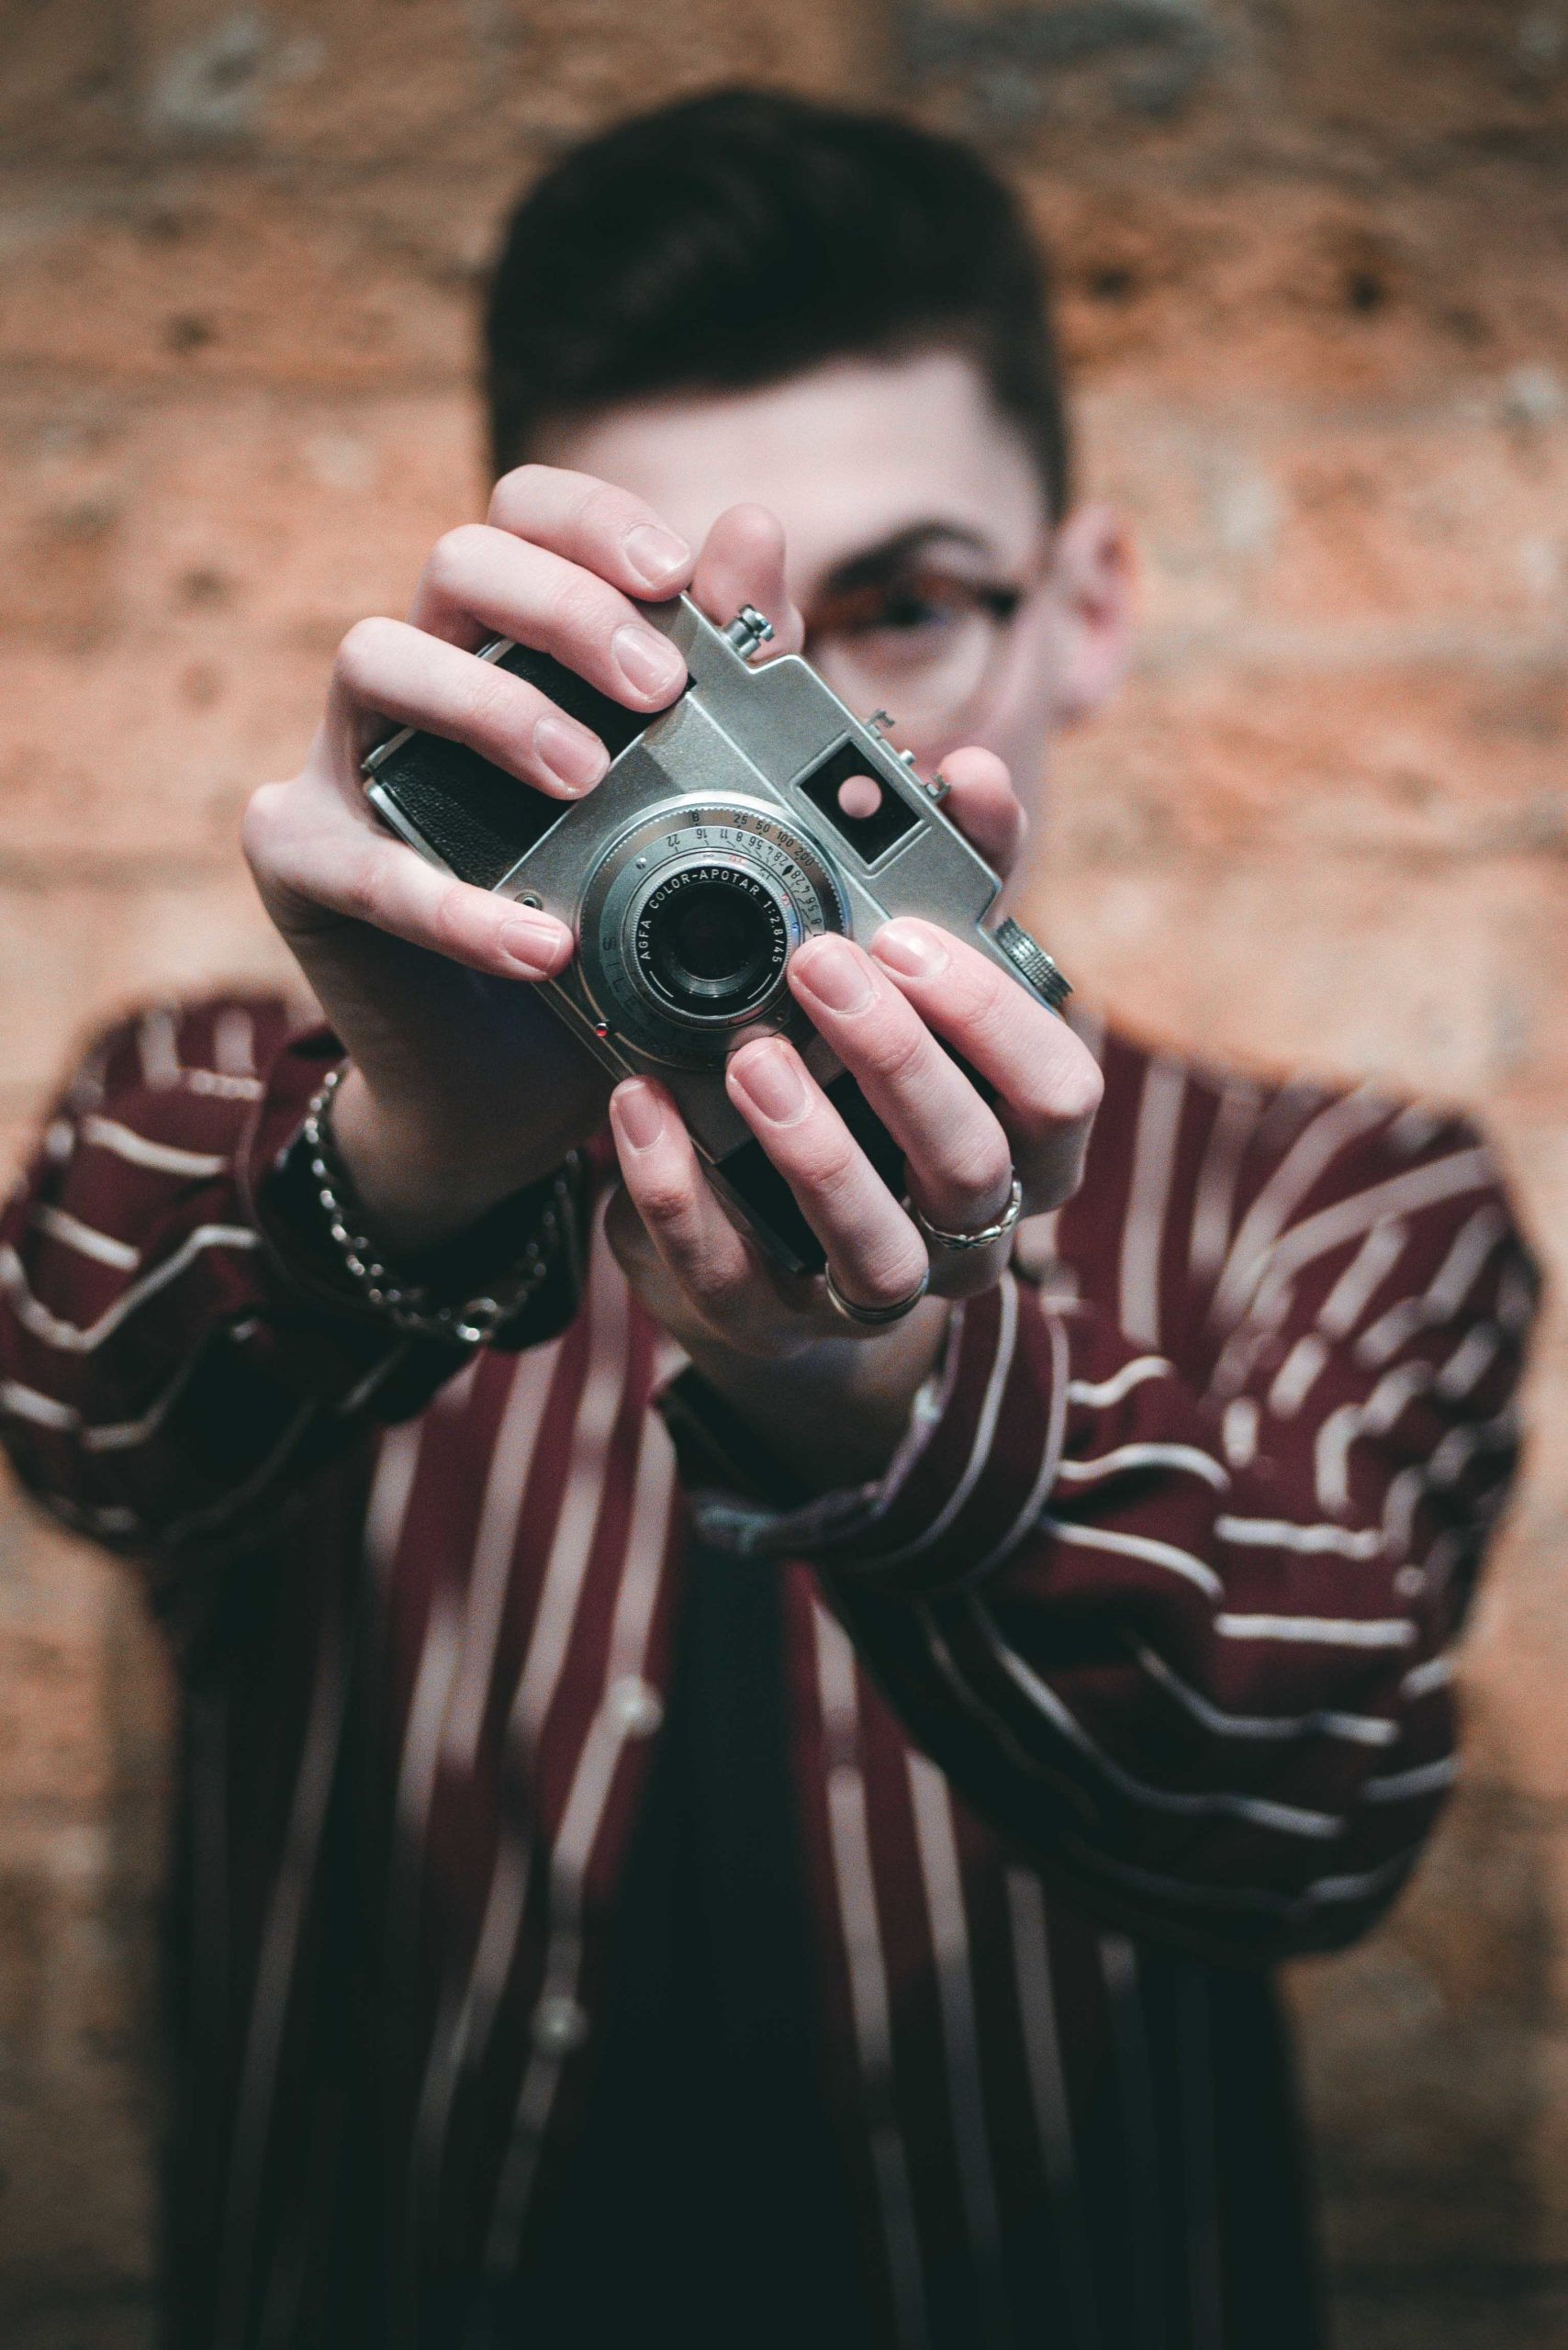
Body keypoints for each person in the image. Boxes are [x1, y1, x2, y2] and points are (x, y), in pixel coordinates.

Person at [0, 88, 1537, 2350]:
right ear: (535, 651)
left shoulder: (1331, 1201)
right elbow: (85, 1417)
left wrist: (874, 1380)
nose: (819, 751)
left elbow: (1314, 1804)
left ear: (1085, 610)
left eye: (898, 606)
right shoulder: (250, 1093)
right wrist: (420, 1143)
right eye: (703, 662)